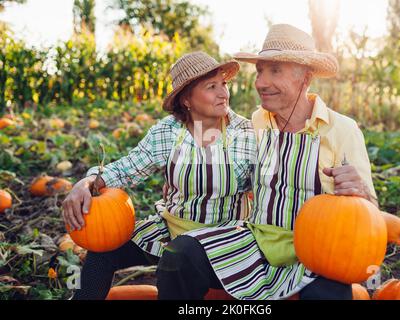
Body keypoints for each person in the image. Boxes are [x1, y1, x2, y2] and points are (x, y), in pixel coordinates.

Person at [156, 24, 378, 300]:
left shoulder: (341, 130)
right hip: (253, 243)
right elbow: (225, 162)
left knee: (331, 295)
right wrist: (178, 179)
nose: (261, 82)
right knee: (179, 256)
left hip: (314, 256)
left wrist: (360, 192)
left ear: (305, 77)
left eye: (275, 71)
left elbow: (371, 214)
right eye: (260, 71)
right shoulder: (258, 121)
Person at [61, 51, 257, 299]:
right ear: (187, 100)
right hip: (171, 230)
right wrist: (87, 181)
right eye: (211, 86)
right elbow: (126, 169)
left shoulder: (246, 133)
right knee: (104, 251)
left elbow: (265, 191)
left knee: (175, 260)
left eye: (224, 84)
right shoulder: (168, 132)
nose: (223, 93)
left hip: (225, 241)